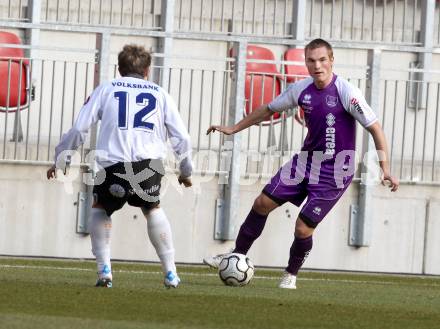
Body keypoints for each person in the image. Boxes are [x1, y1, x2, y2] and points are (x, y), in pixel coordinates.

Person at [204, 38, 399, 289]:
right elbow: (267, 109)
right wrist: (234, 128)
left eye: (322, 60)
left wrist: (385, 169)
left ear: (331, 60)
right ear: (305, 62)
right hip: (305, 163)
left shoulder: (347, 92)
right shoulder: (301, 90)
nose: (317, 65)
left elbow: (375, 128)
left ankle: (290, 274)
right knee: (262, 203)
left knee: (303, 228)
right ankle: (235, 254)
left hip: (336, 171)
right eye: (311, 60)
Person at [47, 44, 193, 288]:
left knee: (101, 207)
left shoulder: (106, 89)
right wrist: (185, 170)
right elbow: (182, 137)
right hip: (149, 166)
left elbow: (78, 128)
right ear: (148, 70)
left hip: (112, 164)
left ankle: (105, 271)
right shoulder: (160, 93)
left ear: (119, 68)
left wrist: (63, 158)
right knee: (153, 208)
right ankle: (171, 273)